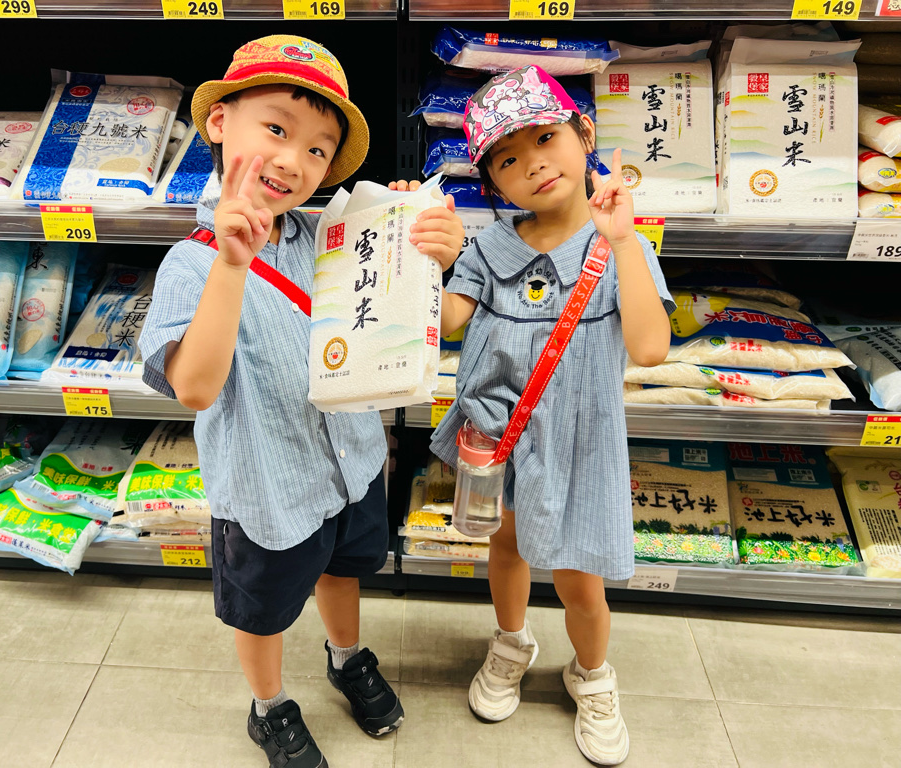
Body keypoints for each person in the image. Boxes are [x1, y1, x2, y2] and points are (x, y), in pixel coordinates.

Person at [138, 36, 463, 768]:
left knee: (344, 570)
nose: (294, 160)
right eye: (277, 129)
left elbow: (419, 315)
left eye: (318, 149)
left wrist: (424, 240)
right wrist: (232, 265)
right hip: (267, 491)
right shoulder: (190, 262)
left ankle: (346, 657)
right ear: (219, 121)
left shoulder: (333, 236)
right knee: (263, 611)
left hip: (353, 466)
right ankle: (269, 705)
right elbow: (194, 386)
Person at [428, 64, 674, 767]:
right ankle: (511, 643)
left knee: (578, 577)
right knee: (504, 547)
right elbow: (446, 324)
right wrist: (427, 262)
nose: (532, 164)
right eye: (507, 159)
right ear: (491, 182)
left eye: (545, 138)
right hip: (499, 437)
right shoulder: (489, 248)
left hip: (581, 442)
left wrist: (622, 239)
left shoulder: (621, 245)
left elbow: (651, 348)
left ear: (583, 134)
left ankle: (592, 675)